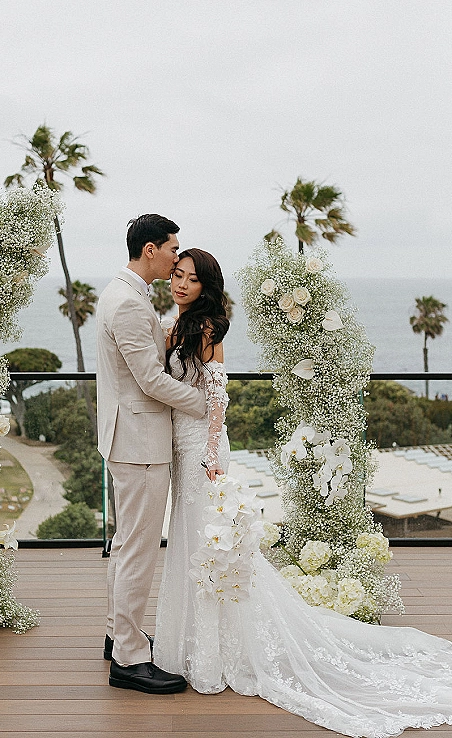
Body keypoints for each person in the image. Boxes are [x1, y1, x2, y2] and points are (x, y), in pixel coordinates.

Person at [154, 248, 452, 738]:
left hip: (203, 451)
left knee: (209, 544)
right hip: (182, 447)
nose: (180, 284)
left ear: (207, 287)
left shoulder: (205, 328)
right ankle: (190, 644)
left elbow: (217, 397)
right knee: (189, 542)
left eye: (191, 279)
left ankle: (214, 651)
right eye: (177, 275)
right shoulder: (178, 323)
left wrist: (210, 455)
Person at [96, 214, 207, 694]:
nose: (174, 257)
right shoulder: (127, 303)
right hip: (140, 442)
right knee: (139, 550)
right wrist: (204, 402)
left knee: (126, 545)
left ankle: (118, 633)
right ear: (150, 250)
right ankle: (129, 657)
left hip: (130, 438)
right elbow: (150, 380)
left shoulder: (127, 294)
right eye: (171, 249)